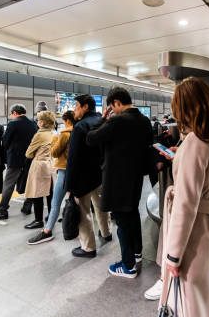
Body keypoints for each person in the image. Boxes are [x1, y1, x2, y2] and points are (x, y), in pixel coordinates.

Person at [158, 77, 209, 316]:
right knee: (206, 296)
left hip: (194, 235)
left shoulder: (194, 142)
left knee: (189, 302)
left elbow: (185, 205)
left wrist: (173, 255)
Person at [86, 87, 153, 278]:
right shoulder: (144, 121)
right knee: (132, 214)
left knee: (122, 222)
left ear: (116, 102)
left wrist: (103, 118)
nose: (112, 110)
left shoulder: (117, 121)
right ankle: (137, 253)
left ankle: (128, 265)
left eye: (112, 107)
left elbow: (91, 139)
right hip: (135, 178)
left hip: (117, 180)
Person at [64, 94, 112, 258]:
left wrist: (69, 184)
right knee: (101, 206)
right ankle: (106, 233)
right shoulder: (101, 120)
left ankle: (88, 247)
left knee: (84, 212)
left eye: (76, 106)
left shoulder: (80, 127)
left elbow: (73, 158)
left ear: (85, 107)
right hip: (99, 174)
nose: (74, 109)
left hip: (82, 178)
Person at [27, 110, 76, 244]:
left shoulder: (63, 134)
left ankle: (47, 231)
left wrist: (55, 140)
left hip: (63, 170)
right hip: (76, 171)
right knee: (77, 202)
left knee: (55, 203)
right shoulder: (80, 131)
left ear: (67, 121)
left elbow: (54, 152)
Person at [0, 104, 38, 221]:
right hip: (30, 158)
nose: (11, 116)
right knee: (30, 182)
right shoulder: (33, 123)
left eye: (11, 114)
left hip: (15, 159)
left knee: (8, 185)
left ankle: (2, 210)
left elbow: (5, 142)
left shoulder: (13, 124)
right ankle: (27, 206)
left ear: (14, 112)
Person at [23, 111, 56, 229]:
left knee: (37, 193)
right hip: (51, 165)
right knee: (49, 193)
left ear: (42, 122)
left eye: (38, 120)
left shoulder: (39, 135)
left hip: (40, 165)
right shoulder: (53, 133)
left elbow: (28, 154)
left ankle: (38, 221)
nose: (37, 122)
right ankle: (51, 216)